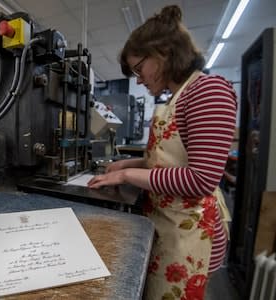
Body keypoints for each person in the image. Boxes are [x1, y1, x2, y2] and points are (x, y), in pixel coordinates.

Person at [87, 5, 237, 299]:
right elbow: (169, 160)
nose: (139, 79)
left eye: (139, 68)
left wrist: (129, 175)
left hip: (189, 234)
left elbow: (201, 179)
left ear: (163, 53)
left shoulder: (209, 92)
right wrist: (127, 164)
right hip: (165, 224)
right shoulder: (176, 98)